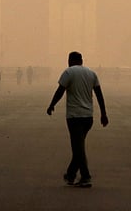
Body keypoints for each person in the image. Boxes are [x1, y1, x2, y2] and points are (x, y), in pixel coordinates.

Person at [46, 51, 108, 188]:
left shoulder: (69, 72)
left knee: (78, 148)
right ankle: (70, 174)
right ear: (81, 60)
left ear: (70, 60)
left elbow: (60, 91)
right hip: (88, 117)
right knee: (78, 147)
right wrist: (103, 114)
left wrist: (51, 105)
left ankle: (86, 177)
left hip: (74, 116)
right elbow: (99, 94)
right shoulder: (92, 74)